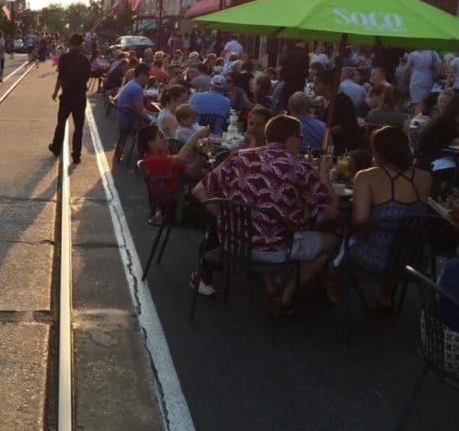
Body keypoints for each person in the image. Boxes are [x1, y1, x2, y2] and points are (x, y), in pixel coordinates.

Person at [193, 115, 340, 313]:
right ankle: (286, 293)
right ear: (292, 139)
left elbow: (198, 190)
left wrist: (225, 217)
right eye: (301, 138)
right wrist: (324, 175)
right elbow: (331, 212)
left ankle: (272, 286)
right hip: (273, 251)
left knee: (267, 219)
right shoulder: (300, 166)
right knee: (332, 241)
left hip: (233, 243)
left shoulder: (239, 157)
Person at [344, 127, 432, 312]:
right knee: (398, 236)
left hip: (377, 258)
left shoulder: (366, 176)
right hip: (414, 259)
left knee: (341, 237)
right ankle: (385, 296)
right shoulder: (425, 177)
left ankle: (334, 290)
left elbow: (360, 219)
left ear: (378, 150)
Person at [138, 123, 214, 293]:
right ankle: (203, 274)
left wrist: (201, 153)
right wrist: (196, 136)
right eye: (161, 137)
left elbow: (193, 172)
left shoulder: (165, 158)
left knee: (214, 206)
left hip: (178, 202)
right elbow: (180, 160)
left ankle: (210, 262)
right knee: (214, 221)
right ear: (150, 144)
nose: (165, 139)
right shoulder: (152, 160)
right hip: (171, 210)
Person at [48, 33, 90, 165]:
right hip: (79, 96)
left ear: (70, 43)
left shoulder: (64, 58)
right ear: (81, 44)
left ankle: (56, 147)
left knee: (61, 122)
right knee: (78, 126)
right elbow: (87, 78)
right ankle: (76, 154)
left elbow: (60, 77)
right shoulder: (85, 60)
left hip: (66, 95)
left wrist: (55, 92)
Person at [313, 69, 367, 153]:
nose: (313, 86)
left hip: (342, 148)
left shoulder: (342, 101)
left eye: (316, 83)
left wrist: (325, 131)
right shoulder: (324, 100)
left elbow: (347, 126)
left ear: (327, 85)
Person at [114, 63, 151, 157]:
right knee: (154, 127)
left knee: (151, 120)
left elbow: (139, 110)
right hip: (129, 123)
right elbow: (140, 112)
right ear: (142, 74)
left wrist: (150, 114)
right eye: (148, 75)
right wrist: (153, 119)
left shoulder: (131, 83)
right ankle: (147, 155)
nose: (149, 78)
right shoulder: (137, 89)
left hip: (122, 119)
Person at [405, 48, 442, 115]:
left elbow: (407, 69)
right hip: (428, 78)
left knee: (416, 102)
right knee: (424, 101)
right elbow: (440, 65)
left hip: (415, 79)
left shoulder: (413, 54)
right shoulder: (432, 52)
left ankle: (414, 117)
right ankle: (421, 116)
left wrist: (402, 82)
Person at [277, 41, 309, 110]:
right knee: (297, 108)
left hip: (288, 84)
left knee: (286, 107)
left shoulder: (289, 53)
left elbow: (282, 68)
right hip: (299, 85)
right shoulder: (305, 55)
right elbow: (306, 72)